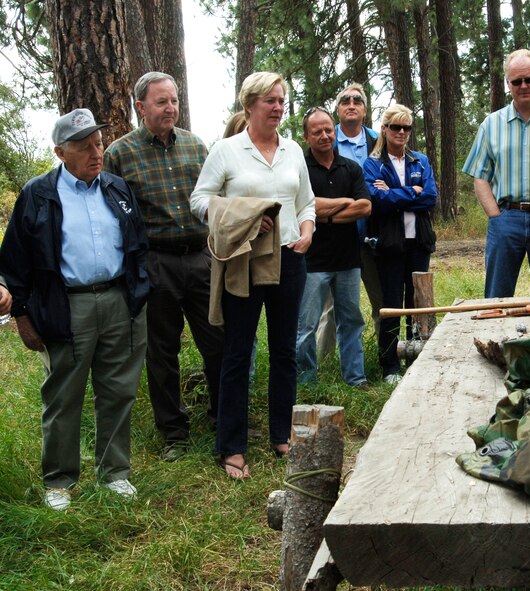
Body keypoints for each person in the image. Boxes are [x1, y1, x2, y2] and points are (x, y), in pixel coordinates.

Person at [0, 109, 149, 510]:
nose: (96, 152)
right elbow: (14, 260)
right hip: (67, 306)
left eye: (98, 144)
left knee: (118, 391)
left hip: (120, 302)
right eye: (84, 147)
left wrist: (139, 292)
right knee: (63, 396)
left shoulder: (116, 188)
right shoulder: (38, 193)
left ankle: (114, 473)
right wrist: (23, 316)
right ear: (60, 152)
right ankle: (59, 481)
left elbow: (137, 246)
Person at [190, 72, 315, 479]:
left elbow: (306, 202)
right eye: (270, 101)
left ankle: (282, 434)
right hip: (244, 260)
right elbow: (200, 200)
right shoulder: (227, 151)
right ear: (249, 106)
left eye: (282, 101)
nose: (278, 108)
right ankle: (231, 446)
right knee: (237, 354)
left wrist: (307, 231)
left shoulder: (293, 150)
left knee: (284, 352)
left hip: (289, 259)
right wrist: (240, 216)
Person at [104, 72, 224, 461]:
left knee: (218, 342)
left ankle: (224, 419)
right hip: (155, 262)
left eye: (173, 100)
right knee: (161, 351)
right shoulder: (119, 154)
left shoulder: (196, 146)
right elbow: (112, 217)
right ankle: (174, 433)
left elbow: (213, 199)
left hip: (201, 257)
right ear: (140, 107)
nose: (170, 107)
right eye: (161, 102)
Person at [463, 49, 530, 298]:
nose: (523, 86)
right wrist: (495, 216)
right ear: (507, 83)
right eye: (516, 81)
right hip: (506, 218)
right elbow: (480, 176)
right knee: (496, 296)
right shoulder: (491, 124)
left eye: (529, 79)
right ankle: (493, 337)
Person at [296, 107, 371, 387]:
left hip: (349, 259)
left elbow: (365, 206)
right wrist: (344, 203)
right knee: (305, 327)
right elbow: (303, 205)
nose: (325, 135)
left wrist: (322, 213)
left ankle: (356, 377)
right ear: (307, 136)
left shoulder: (350, 168)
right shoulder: (300, 168)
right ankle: (306, 383)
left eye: (328, 129)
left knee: (351, 321)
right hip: (312, 260)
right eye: (317, 132)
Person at [363, 104, 437, 384]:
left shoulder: (420, 161)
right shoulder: (373, 164)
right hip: (390, 244)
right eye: (396, 126)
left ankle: (417, 357)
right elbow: (376, 201)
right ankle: (390, 365)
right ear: (384, 129)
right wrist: (410, 192)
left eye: (406, 127)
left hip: (418, 242)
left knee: (416, 302)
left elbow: (430, 197)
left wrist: (394, 193)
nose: (402, 132)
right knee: (392, 304)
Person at [315, 83, 383, 362]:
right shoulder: (325, 142)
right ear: (338, 110)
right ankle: (324, 362)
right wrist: (344, 207)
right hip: (334, 238)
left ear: (365, 110)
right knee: (329, 308)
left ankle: (386, 358)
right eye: (345, 100)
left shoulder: (379, 141)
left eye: (357, 100)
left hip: (374, 236)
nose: (351, 104)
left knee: (381, 301)